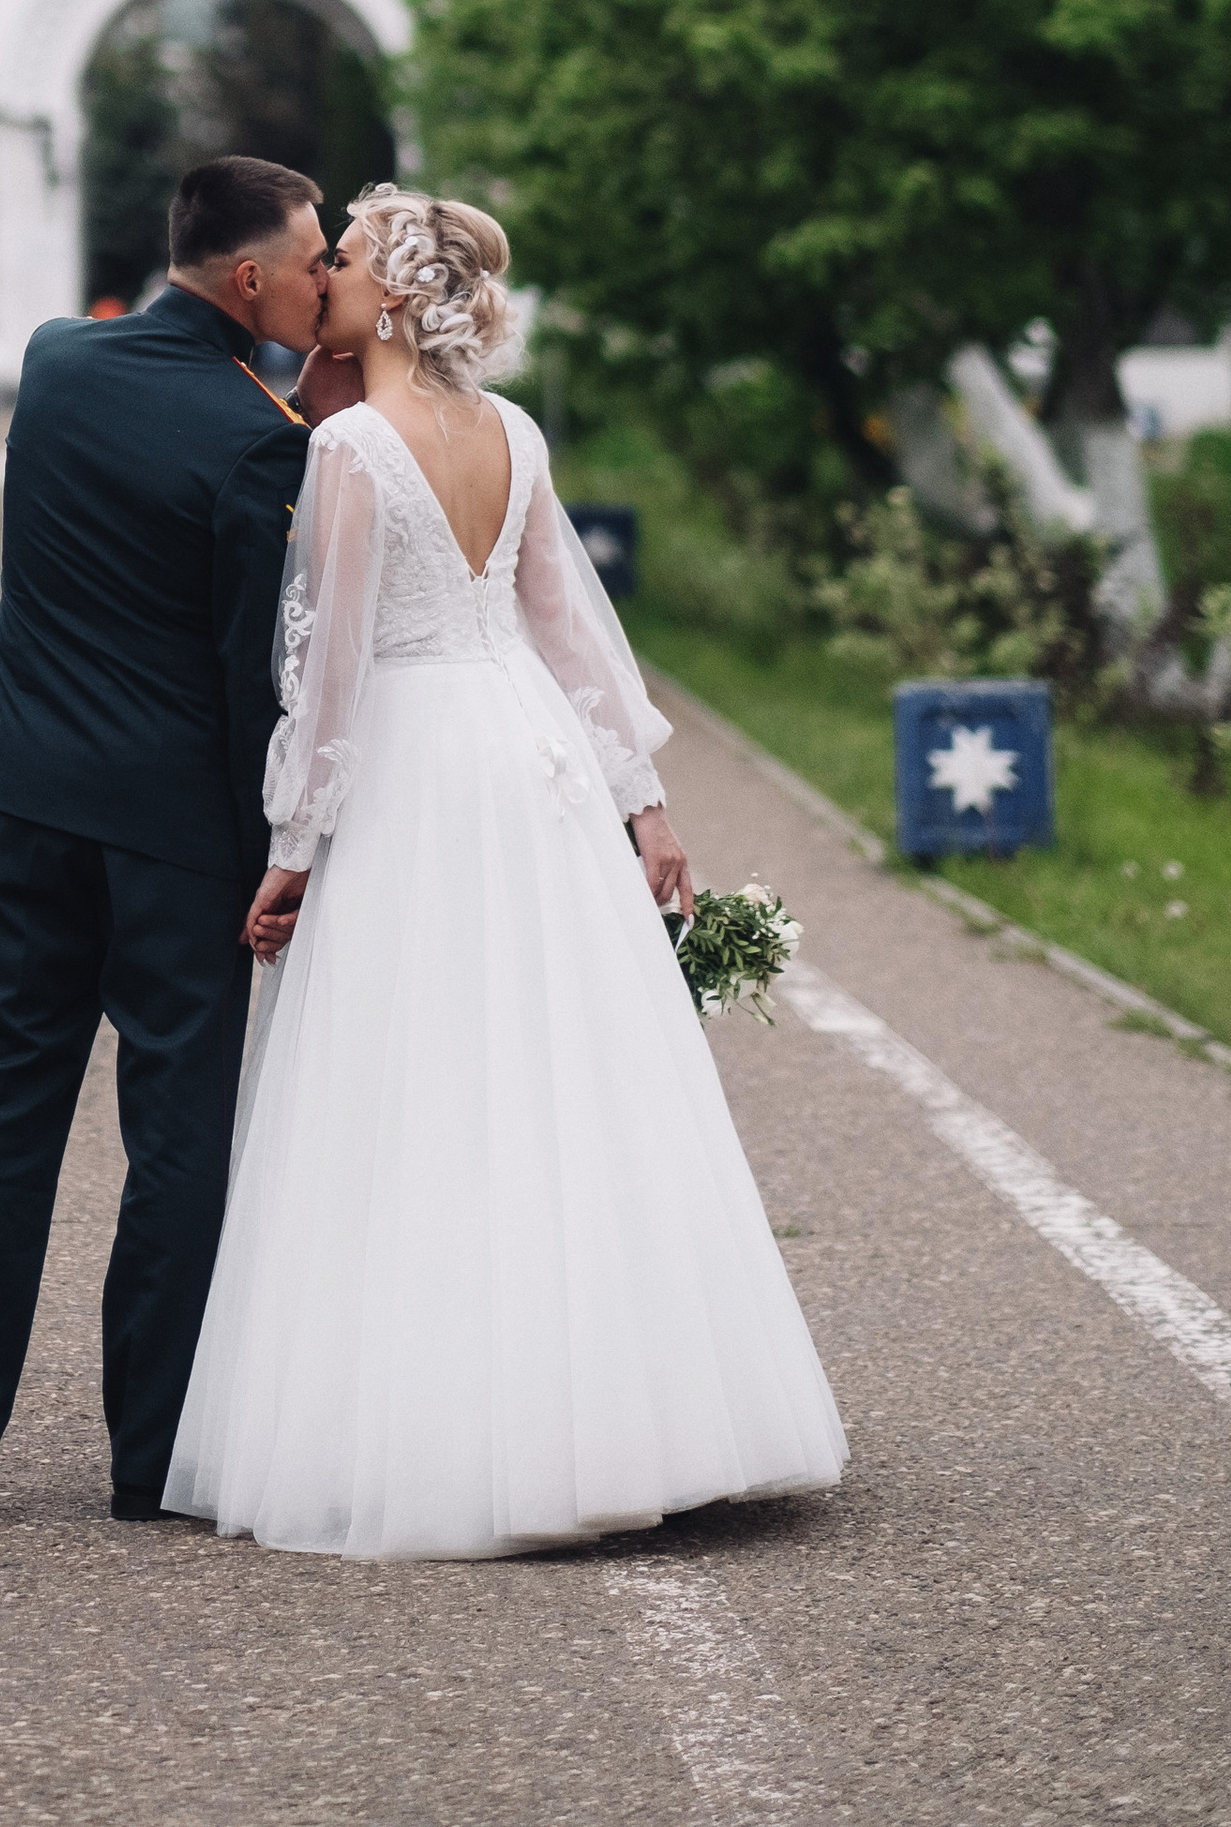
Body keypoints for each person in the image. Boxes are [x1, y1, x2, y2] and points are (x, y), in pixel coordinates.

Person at [165, 184, 847, 1560]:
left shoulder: (352, 446)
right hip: (528, 756)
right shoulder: (515, 433)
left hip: (421, 762)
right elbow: (569, 634)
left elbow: (334, 669)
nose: (326, 275)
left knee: (422, 1078)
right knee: (564, 1068)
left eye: (345, 259)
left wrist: (293, 846)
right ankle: (638, 1413)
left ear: (397, 293)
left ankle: (454, 1427)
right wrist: (642, 805)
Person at [0, 156, 332, 1532]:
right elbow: (245, 669)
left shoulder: (55, 363)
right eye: (317, 261)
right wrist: (282, 838)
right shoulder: (257, 440)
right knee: (178, 1139)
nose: (330, 281)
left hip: (21, 804)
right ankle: (151, 1460)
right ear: (251, 278)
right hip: (172, 843)